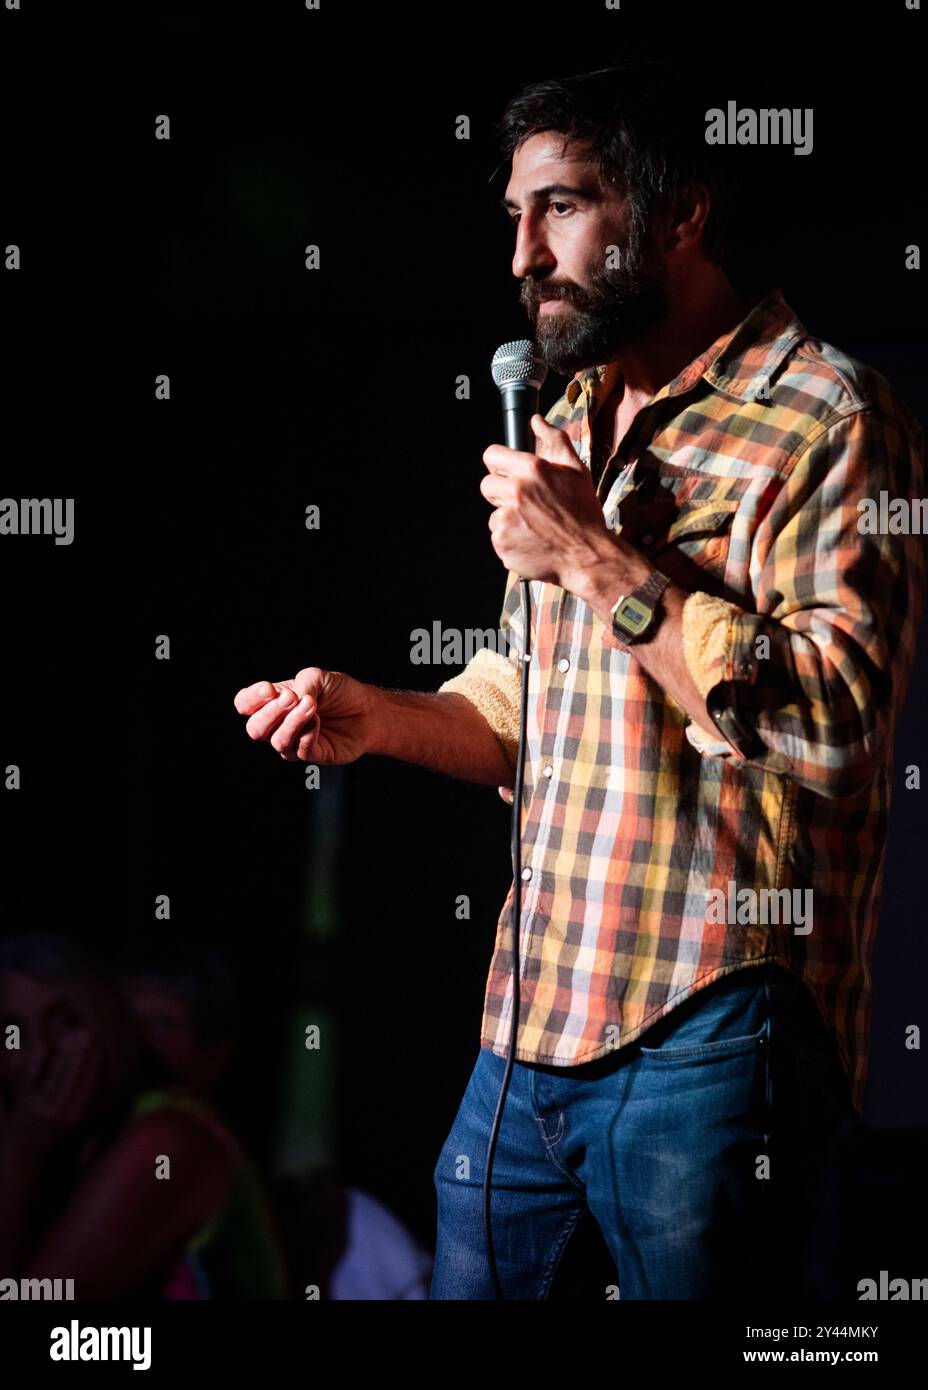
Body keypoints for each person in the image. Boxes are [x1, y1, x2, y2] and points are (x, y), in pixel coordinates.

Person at [232, 60, 925, 1298]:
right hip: (528, 1022)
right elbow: (523, 706)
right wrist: (374, 718)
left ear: (676, 215)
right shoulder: (564, 420)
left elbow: (836, 723)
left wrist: (602, 562)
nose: (522, 255)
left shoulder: (827, 416)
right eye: (513, 215)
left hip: (708, 1028)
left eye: (559, 207)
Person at [0, 933, 287, 1299]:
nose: (39, 1053)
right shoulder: (81, 1143)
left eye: (64, 1022)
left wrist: (22, 1146)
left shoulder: (167, 1138)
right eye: (13, 1031)